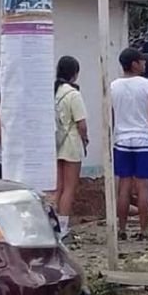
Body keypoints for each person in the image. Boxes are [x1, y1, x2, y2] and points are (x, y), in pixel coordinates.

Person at [111, 48, 148, 241]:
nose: (145, 64)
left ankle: (121, 229)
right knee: (142, 187)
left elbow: (113, 116)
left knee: (123, 186)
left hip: (122, 140)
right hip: (144, 140)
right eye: (142, 61)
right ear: (134, 64)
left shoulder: (114, 86)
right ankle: (144, 230)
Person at [54, 56, 89, 234]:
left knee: (59, 187)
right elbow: (81, 124)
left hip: (57, 143)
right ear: (74, 74)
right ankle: (63, 227)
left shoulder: (54, 92)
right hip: (72, 144)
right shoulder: (73, 94)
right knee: (69, 188)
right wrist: (86, 139)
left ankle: (52, 224)